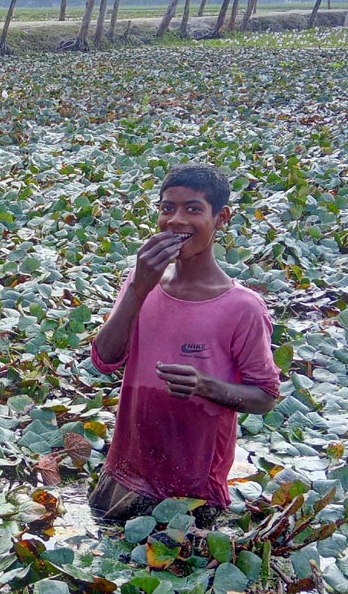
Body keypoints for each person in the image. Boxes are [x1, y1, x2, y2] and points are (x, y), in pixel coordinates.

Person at [88, 163, 280, 527]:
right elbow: (105, 358)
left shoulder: (242, 307)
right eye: (167, 208)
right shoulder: (141, 280)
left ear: (221, 218)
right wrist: (139, 287)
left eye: (193, 209)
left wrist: (204, 386)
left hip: (192, 489)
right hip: (125, 470)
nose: (176, 220)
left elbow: (266, 396)